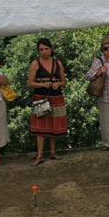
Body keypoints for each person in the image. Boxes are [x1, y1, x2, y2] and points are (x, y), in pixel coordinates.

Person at [28, 38, 67, 166]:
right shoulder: (35, 63)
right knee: (40, 126)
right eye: (41, 49)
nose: (44, 52)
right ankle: (39, 155)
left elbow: (63, 81)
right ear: (38, 51)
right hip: (41, 97)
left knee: (54, 124)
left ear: (51, 49)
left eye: (46, 49)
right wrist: (43, 84)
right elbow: (30, 83)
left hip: (56, 97)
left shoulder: (58, 63)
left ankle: (53, 152)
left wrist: (58, 84)